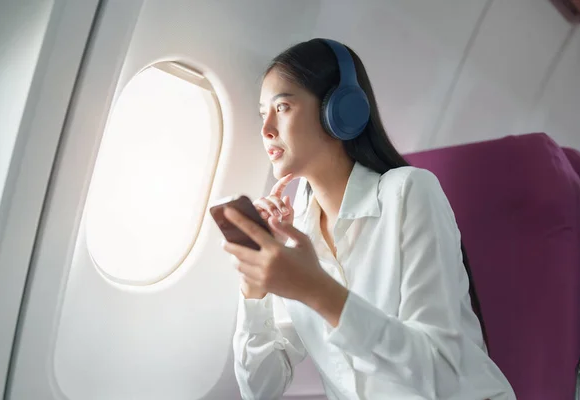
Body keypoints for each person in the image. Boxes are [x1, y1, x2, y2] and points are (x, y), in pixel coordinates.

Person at [220, 38, 516, 400]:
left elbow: (442, 375)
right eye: (262, 112)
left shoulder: (409, 193)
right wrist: (255, 288)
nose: (266, 127)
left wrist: (316, 289)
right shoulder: (297, 233)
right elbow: (260, 390)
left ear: (341, 110)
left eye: (282, 107)